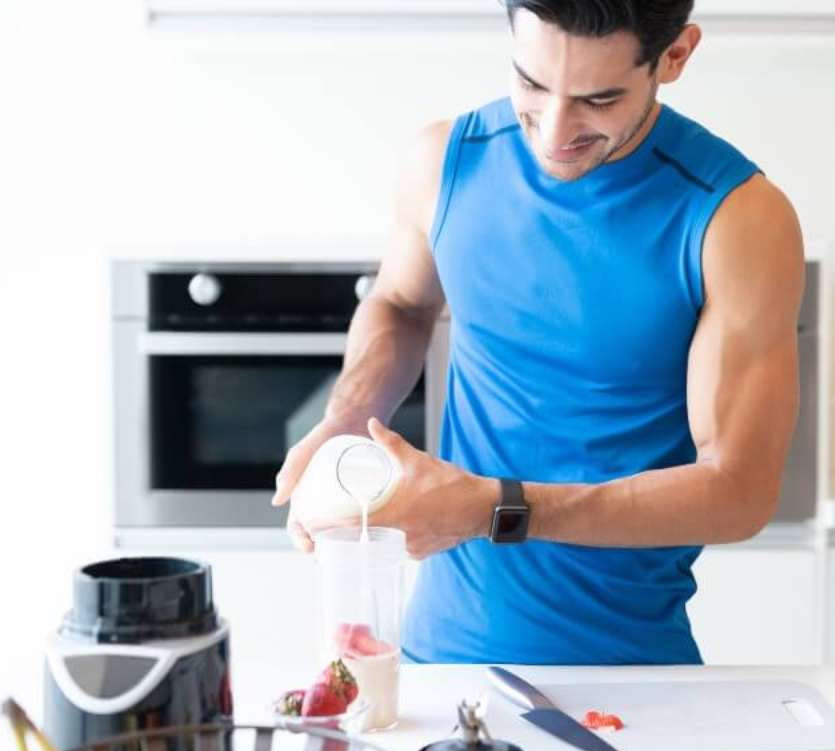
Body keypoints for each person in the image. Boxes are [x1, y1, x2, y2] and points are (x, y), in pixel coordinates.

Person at [272, 0, 806, 665]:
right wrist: (348, 417)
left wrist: (495, 508)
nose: (554, 130)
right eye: (530, 83)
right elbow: (402, 305)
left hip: (634, 677)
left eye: (598, 99)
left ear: (675, 56)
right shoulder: (445, 161)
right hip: (434, 661)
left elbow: (738, 493)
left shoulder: (736, 219)